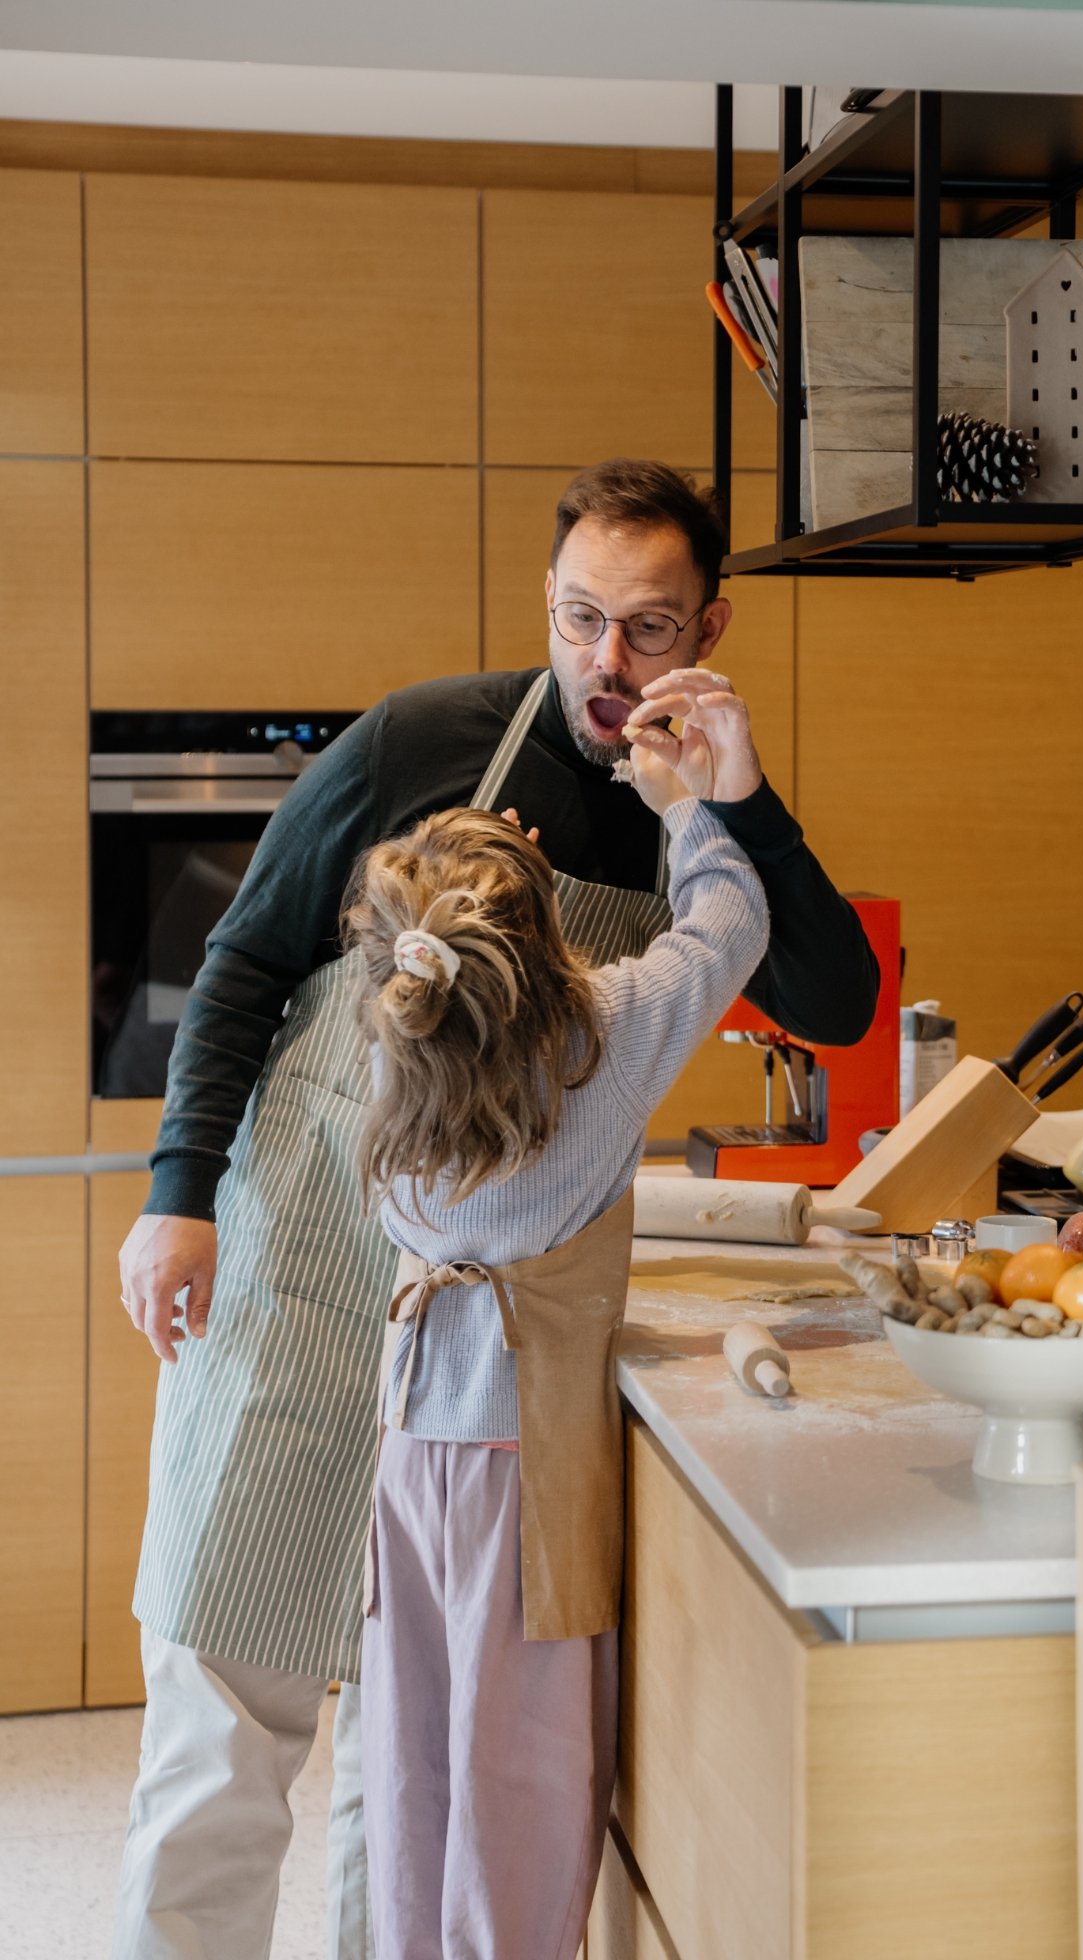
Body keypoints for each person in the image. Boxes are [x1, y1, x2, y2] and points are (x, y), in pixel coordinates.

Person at [112, 458, 879, 1960]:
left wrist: (739, 795)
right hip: (298, 1273)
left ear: (710, 625)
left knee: (402, 1781)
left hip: (479, 1361)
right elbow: (246, 963)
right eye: (582, 618)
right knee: (224, 1721)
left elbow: (838, 1001)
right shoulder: (423, 739)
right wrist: (175, 1195)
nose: (607, 664)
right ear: (549, 601)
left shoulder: (691, 810)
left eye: (650, 629)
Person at [347, 716, 767, 1956]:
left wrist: (492, 883)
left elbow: (467, 976)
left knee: (413, 1756)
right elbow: (729, 922)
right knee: (519, 1782)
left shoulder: (399, 1052)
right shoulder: (604, 1036)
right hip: (524, 1469)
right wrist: (681, 803)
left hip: (412, 1444)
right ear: (546, 949)